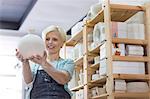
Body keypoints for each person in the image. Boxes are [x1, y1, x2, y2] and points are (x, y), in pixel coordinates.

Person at [16, 25, 75, 99]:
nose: (50, 42)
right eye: (47, 39)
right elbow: (28, 81)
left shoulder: (67, 63)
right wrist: (24, 62)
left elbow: (63, 79)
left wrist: (43, 63)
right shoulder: (35, 64)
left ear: (62, 43)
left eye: (55, 39)